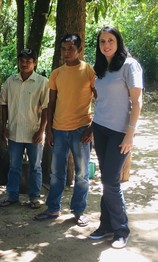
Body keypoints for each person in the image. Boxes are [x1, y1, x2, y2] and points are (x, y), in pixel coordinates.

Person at [89, 26, 143, 248]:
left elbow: (138, 102)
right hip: (100, 128)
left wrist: (130, 133)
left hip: (120, 132)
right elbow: (99, 98)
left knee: (110, 180)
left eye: (110, 40)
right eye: (102, 41)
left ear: (118, 42)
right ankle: (106, 225)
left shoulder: (130, 65)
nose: (106, 45)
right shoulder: (101, 68)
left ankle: (121, 229)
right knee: (107, 179)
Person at [34, 34, 95, 226]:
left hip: (81, 130)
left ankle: (78, 211)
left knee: (82, 174)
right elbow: (51, 103)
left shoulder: (88, 71)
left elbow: (101, 99)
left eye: (70, 48)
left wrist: (92, 128)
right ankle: (53, 208)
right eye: (63, 49)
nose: (66, 52)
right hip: (59, 130)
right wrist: (50, 130)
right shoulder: (56, 73)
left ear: (79, 49)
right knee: (56, 173)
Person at [0, 48, 49, 209]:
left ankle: (34, 197)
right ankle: (12, 195)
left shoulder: (42, 82)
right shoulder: (10, 81)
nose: (24, 63)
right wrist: (4, 126)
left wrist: (41, 131)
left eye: (28, 61)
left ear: (35, 63)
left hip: (33, 132)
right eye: (22, 60)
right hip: (14, 132)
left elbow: (46, 108)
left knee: (35, 166)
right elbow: (4, 106)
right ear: (18, 62)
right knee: (14, 166)